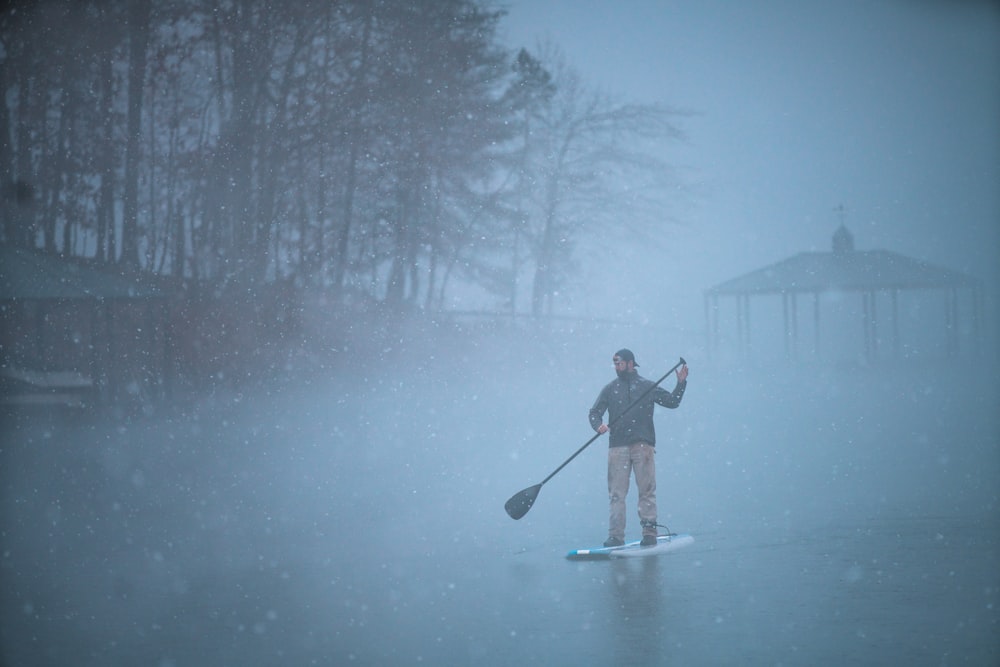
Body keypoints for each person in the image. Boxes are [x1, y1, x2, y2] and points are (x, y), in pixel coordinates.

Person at [588, 349, 688, 547]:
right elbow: (594, 412)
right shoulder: (610, 389)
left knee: (646, 490)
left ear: (630, 363)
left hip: (643, 446)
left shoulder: (647, 386)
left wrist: (681, 384)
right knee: (617, 494)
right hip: (617, 447)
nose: (616, 367)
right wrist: (598, 425)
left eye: (619, 363)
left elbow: (672, 402)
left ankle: (649, 533)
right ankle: (616, 536)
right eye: (614, 364)